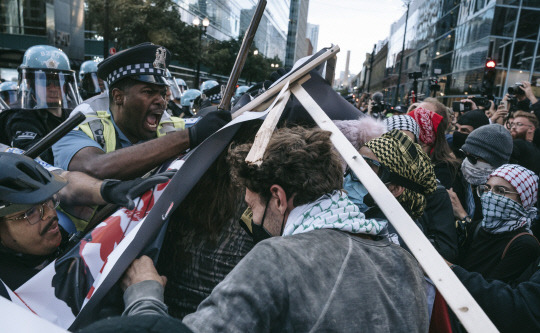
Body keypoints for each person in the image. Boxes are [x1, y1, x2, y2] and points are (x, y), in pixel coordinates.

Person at [121, 127, 429, 332]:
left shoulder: (276, 259)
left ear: (279, 198)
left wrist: (144, 294)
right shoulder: (406, 262)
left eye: (252, 207)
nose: (252, 219)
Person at [53, 43, 230, 180]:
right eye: (148, 92)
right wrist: (189, 137)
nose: (161, 101)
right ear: (118, 96)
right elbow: (95, 167)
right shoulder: (82, 128)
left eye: (162, 93)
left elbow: (199, 124)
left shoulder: (168, 126)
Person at [0, 152, 172, 290]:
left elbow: (67, 181)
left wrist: (108, 190)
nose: (50, 215)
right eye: (30, 212)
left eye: (49, 201)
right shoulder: (9, 299)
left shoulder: (54, 231)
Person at [0, 45, 82, 164]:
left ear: (67, 86)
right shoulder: (20, 119)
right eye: (46, 82)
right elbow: (35, 156)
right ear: (29, 84)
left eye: (59, 82)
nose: (53, 88)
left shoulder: (74, 115)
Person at [459, 164, 540, 283]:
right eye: (486, 189)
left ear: (523, 200)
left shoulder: (525, 244)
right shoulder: (479, 226)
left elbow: (492, 291)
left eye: (500, 191)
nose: (489, 195)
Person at [448, 124, 514, 223]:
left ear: (494, 162)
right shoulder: (458, 176)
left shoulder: (503, 196)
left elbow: (487, 235)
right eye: (464, 154)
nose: (466, 162)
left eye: (473, 158)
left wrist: (462, 215)